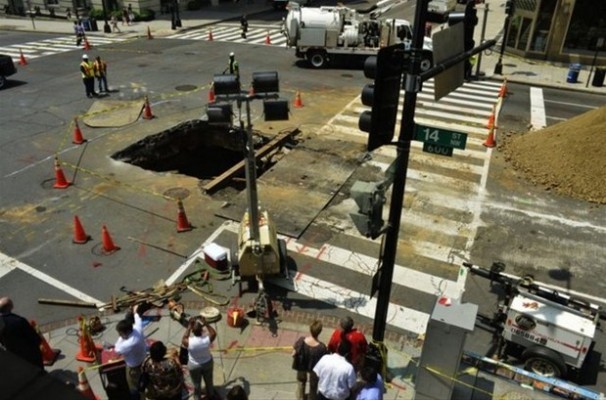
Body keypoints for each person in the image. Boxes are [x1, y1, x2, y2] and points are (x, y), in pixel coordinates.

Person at [0, 297, 43, 369]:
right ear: (10, 306)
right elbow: (33, 337)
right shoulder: (19, 321)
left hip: (14, 355)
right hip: (30, 353)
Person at [114, 305, 147, 400]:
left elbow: (117, 349)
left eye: (120, 333)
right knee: (144, 382)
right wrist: (135, 311)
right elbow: (138, 319)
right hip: (143, 360)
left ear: (126, 332)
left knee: (134, 387)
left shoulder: (128, 344)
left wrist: (121, 338)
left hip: (134, 368)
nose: (119, 335)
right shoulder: (137, 329)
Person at [182, 316, 217, 400]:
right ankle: (211, 394)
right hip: (207, 363)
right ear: (202, 330)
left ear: (193, 331)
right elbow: (213, 333)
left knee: (196, 384)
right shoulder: (206, 340)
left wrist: (189, 327)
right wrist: (206, 323)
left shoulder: (189, 341)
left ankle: (197, 397)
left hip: (194, 365)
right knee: (209, 381)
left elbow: (184, 338)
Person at [292, 320, 328, 400]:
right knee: (313, 384)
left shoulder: (301, 341)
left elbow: (294, 353)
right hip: (314, 368)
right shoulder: (322, 347)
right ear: (320, 332)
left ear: (310, 329)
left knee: (301, 381)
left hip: (302, 365)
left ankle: (300, 397)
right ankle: (312, 397)